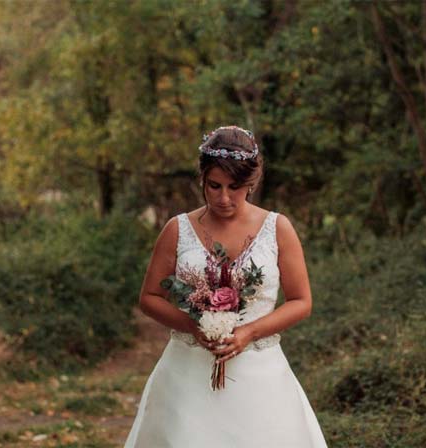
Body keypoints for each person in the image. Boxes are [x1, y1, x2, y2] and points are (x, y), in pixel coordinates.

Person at [124, 125, 328, 448]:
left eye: (235, 187)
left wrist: (249, 332)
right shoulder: (177, 229)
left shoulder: (278, 229)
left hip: (261, 378)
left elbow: (301, 301)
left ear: (252, 183)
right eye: (214, 186)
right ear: (202, 179)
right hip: (186, 374)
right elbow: (149, 298)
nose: (223, 198)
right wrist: (193, 326)